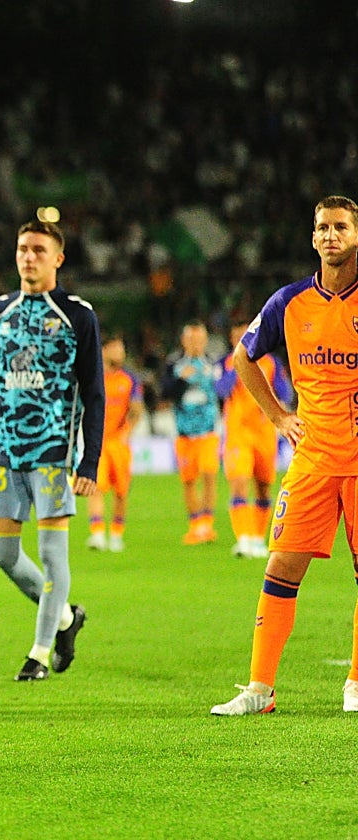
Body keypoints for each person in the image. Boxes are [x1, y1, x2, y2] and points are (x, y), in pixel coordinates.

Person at [212, 195, 358, 715]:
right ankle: (260, 689)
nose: (331, 236)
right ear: (313, 238)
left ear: (356, 235)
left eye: (341, 227)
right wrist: (277, 416)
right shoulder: (289, 303)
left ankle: (356, 684)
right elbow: (243, 357)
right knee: (280, 565)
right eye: (323, 228)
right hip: (312, 457)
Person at [0, 219, 105, 682]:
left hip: (52, 454)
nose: (29, 257)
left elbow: (95, 393)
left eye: (39, 250)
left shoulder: (77, 315)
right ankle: (65, 618)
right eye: (23, 248)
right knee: (3, 555)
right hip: (4, 452)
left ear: (58, 259)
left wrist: (89, 460)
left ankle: (39, 654)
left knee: (52, 554)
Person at [215, 317, 293, 560]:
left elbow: (285, 393)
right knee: (239, 482)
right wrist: (239, 366)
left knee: (263, 486)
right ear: (231, 338)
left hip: (264, 433)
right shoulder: (225, 363)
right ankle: (243, 538)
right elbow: (221, 390)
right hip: (238, 434)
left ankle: (258, 538)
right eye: (238, 335)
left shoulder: (271, 362)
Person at [160, 320, 221, 545]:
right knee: (189, 480)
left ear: (205, 340)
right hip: (184, 432)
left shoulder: (213, 364)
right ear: (184, 341)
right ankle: (195, 526)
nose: (196, 343)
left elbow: (223, 391)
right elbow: (165, 392)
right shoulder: (174, 364)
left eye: (199, 339)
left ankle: (207, 524)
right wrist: (181, 380)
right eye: (191, 339)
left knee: (209, 475)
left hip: (208, 431)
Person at [86, 333, 144, 553]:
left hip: (119, 443)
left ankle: (117, 533)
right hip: (97, 442)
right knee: (95, 487)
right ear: (104, 351)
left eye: (121, 349)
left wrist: (127, 432)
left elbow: (136, 409)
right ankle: (98, 533)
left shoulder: (130, 379)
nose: (120, 353)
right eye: (115, 348)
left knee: (121, 491)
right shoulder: (93, 378)